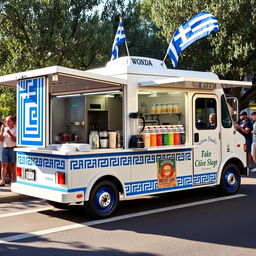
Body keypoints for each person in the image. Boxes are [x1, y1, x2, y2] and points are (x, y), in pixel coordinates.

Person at [0, 116, 17, 186]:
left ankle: (14, 180)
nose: (6, 122)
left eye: (8, 121)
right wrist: (1, 132)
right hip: (5, 148)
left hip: (12, 148)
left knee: (13, 165)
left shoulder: (16, 129)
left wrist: (10, 133)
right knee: (4, 166)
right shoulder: (4, 129)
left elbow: (15, 140)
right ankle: (3, 180)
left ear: (13, 122)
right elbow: (1, 140)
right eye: (6, 121)